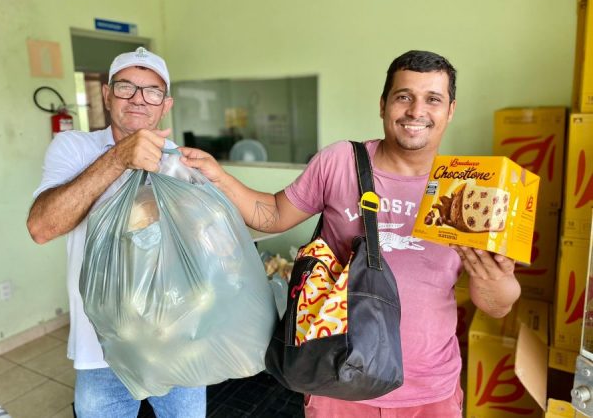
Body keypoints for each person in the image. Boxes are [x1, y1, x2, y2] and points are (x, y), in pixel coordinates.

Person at [178, 50, 521, 418]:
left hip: (429, 389)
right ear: (383, 104)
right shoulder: (340, 161)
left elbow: (497, 304)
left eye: (432, 99)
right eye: (403, 96)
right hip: (337, 376)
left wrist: (497, 279)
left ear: (450, 110)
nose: (416, 111)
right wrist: (220, 177)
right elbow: (275, 214)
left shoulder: (470, 189)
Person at [27, 47, 206, 418]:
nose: (139, 99)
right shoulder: (74, 148)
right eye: (126, 87)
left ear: (166, 104)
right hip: (101, 347)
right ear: (106, 95)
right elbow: (43, 228)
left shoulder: (182, 162)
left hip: (175, 340)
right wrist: (118, 157)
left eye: (152, 91)